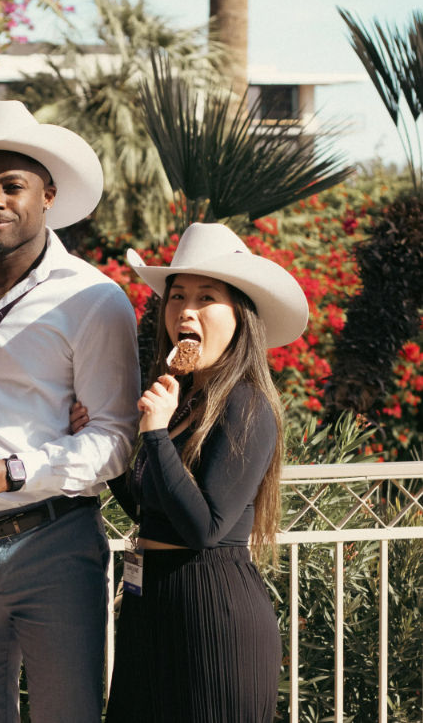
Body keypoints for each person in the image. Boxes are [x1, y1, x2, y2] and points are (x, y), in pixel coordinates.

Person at [0, 100, 140, 722]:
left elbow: (117, 438)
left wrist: (15, 469)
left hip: (56, 542)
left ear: (47, 195)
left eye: (12, 185)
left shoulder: (93, 298)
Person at [103, 222, 309, 722]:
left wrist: (153, 434)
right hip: (149, 598)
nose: (186, 311)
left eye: (206, 297)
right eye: (176, 297)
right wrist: (110, 450)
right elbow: (151, 510)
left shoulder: (249, 404)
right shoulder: (182, 400)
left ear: (240, 314)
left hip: (210, 608)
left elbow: (202, 527)